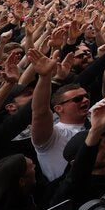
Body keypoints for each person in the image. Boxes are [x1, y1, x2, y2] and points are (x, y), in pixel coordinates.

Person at [28, 48, 90, 182]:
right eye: (77, 99)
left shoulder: (95, 117)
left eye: (86, 96)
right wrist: (45, 77)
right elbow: (40, 112)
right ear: (58, 108)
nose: (85, 100)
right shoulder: (53, 136)